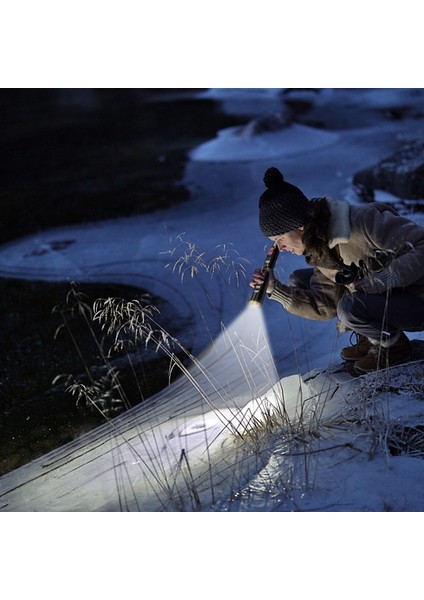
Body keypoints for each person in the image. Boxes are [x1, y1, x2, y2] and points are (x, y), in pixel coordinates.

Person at [250, 166, 424, 373]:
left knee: (351, 305)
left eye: (280, 239)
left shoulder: (363, 222)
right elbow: (327, 305)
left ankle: (395, 347)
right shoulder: (319, 248)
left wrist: (384, 279)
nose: (280, 248)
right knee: (299, 279)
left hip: (418, 299)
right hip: (395, 300)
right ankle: (372, 338)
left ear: (300, 226)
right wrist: (274, 289)